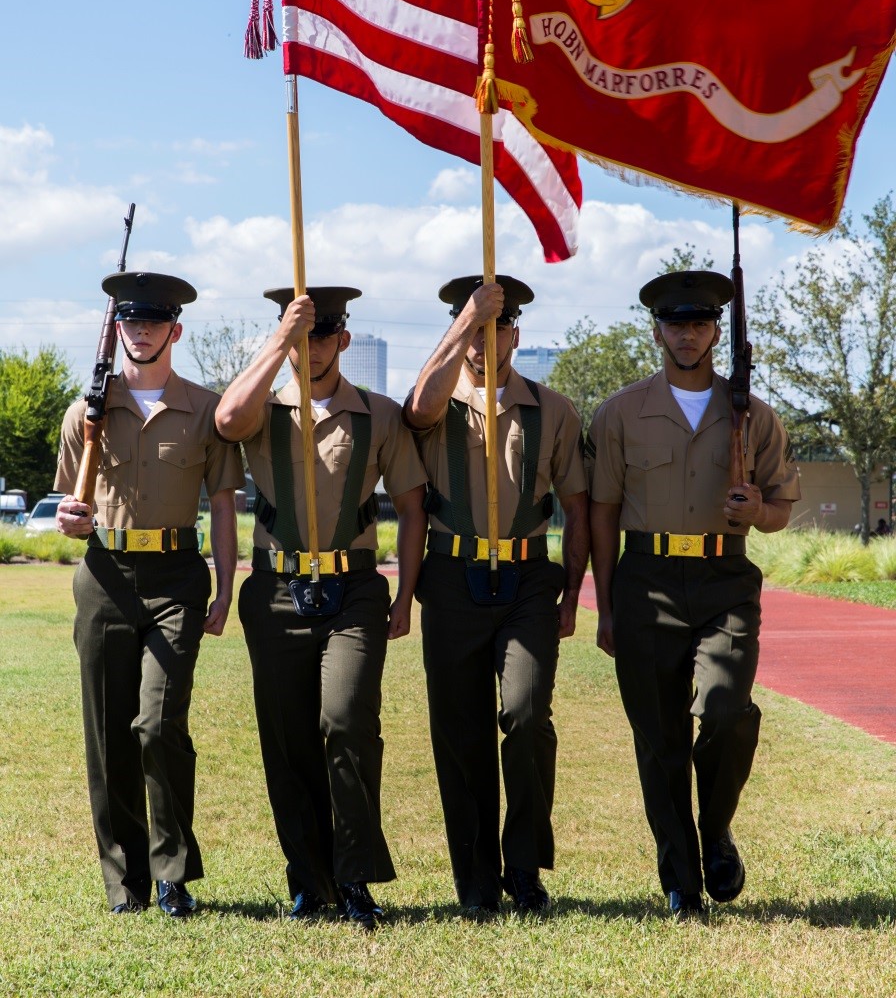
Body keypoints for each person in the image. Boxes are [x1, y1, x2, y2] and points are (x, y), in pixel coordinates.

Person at [588, 270, 800, 921]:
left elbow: (781, 510)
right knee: (659, 739)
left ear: (715, 331)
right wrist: (606, 601)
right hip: (645, 580)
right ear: (656, 330)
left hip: (724, 580)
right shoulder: (620, 412)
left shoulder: (751, 417)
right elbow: (601, 512)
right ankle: (681, 880)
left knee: (728, 711)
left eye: (700, 324)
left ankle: (717, 831)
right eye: (675, 324)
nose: (687, 335)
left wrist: (758, 507)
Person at [215, 286, 427, 931]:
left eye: (321, 335)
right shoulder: (261, 407)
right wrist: (280, 338)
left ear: (343, 340)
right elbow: (226, 422)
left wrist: (407, 594)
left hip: (353, 589)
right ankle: (309, 883)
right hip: (276, 590)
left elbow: (414, 507)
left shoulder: (378, 416)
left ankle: (355, 877)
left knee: (346, 721)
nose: (310, 349)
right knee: (288, 740)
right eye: (299, 337)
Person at [55, 271, 242, 917]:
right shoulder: (86, 411)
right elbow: (71, 504)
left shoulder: (206, 409)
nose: (142, 332)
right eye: (131, 323)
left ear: (175, 331)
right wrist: (70, 519)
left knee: (159, 723)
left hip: (177, 580)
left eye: (154, 323)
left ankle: (173, 872)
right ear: (118, 330)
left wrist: (225, 584)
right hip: (104, 576)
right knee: (108, 734)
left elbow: (222, 507)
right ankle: (125, 880)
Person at [403, 274, 590, 919]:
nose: (486, 339)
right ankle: (476, 880)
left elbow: (577, 508)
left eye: (497, 325)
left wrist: (572, 593)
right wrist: (466, 321)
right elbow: (417, 411)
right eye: (474, 327)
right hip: (452, 580)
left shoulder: (552, 409)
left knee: (528, 713)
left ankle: (525, 865)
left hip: (528, 581)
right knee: (462, 735)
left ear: (517, 332)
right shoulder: (437, 400)